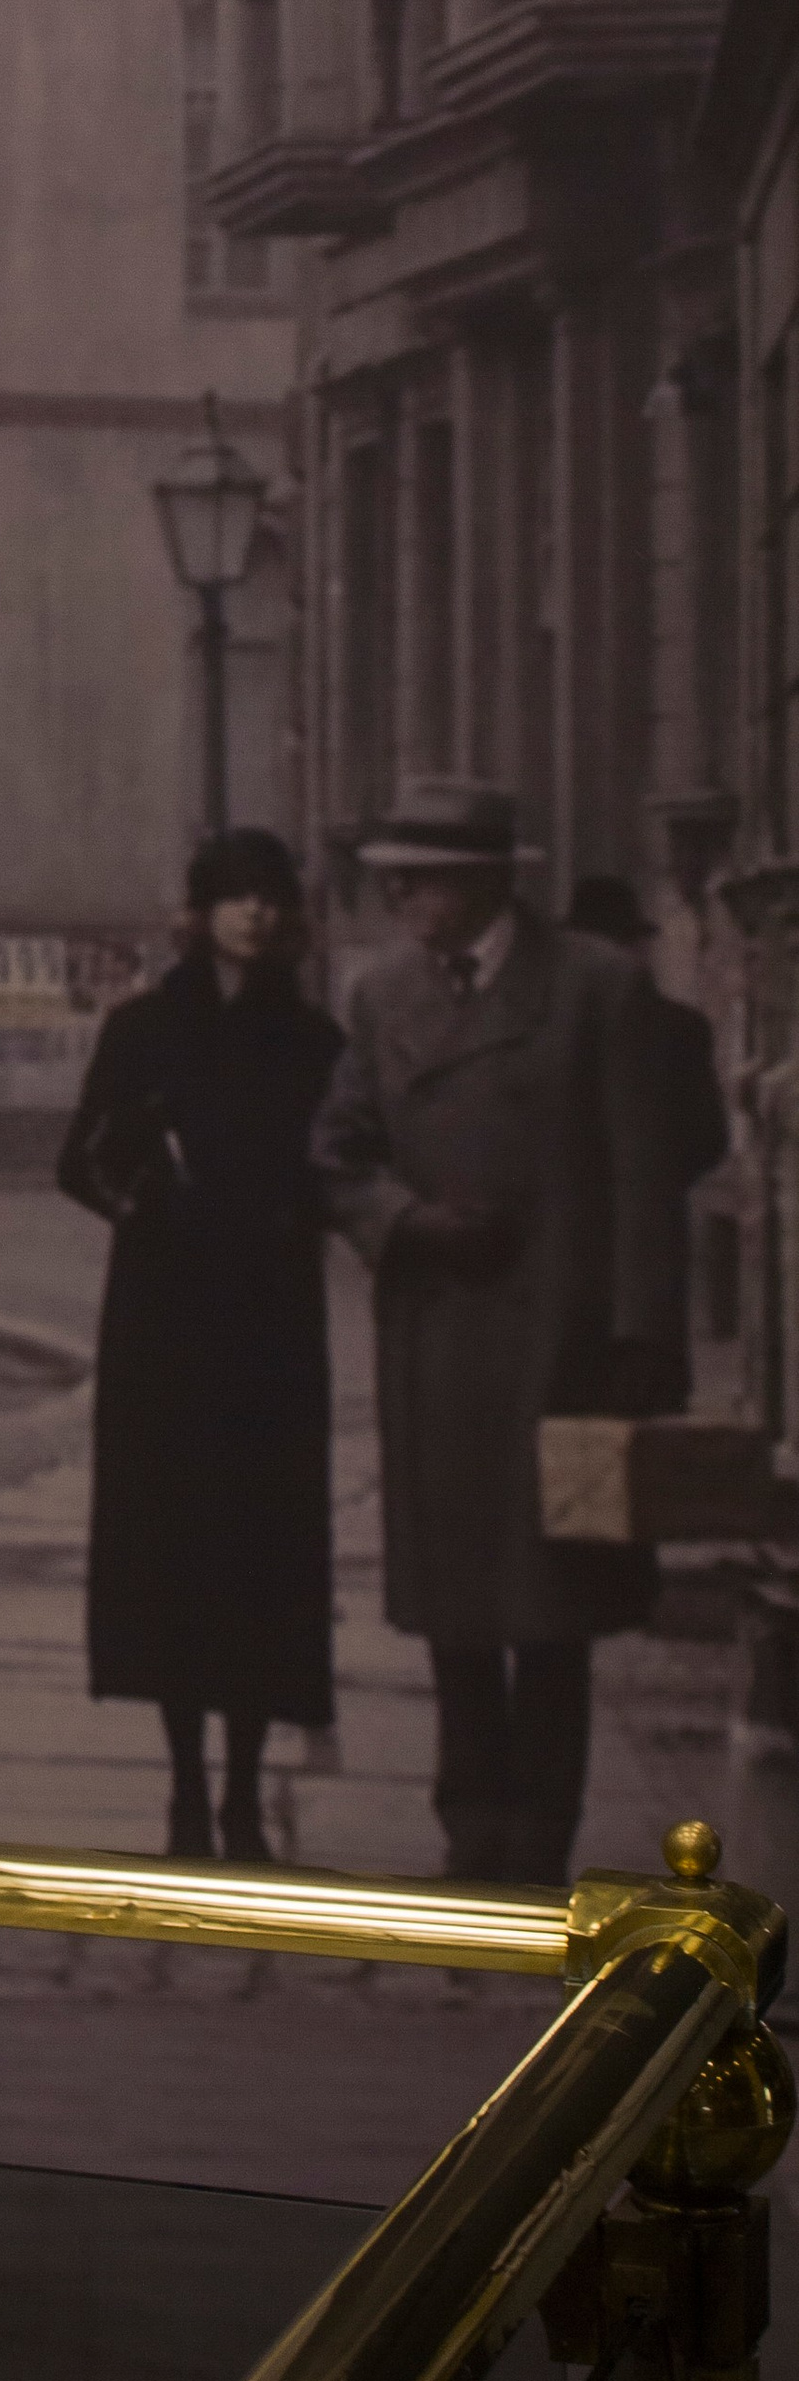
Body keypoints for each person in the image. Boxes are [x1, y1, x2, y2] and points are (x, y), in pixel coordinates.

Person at [313, 778, 683, 1894]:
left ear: (482, 883)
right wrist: (407, 1222)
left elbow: (645, 1176)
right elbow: (337, 1153)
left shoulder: (596, 988)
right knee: (456, 1603)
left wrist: (642, 1339)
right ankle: (470, 1824)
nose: (401, 901)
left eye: (419, 882)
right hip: (440, 1336)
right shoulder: (382, 996)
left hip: (562, 1339)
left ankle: (539, 1837)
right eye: (394, 883)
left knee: (555, 1603)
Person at [58, 828, 343, 1863]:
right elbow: (78, 1162)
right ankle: (184, 1787)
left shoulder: (311, 1041)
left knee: (261, 1551)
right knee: (172, 1550)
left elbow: (338, 1166)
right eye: (235, 896)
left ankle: (243, 1793)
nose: (253, 914)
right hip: (166, 1320)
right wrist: (142, 1193)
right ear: (201, 913)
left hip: (268, 1321)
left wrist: (295, 1208)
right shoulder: (143, 1029)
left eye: (269, 897)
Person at [564, 876, 732, 1197]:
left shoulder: (680, 1030)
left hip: (631, 1206)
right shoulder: (681, 1027)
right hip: (638, 1206)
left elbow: (708, 1140)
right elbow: (708, 1142)